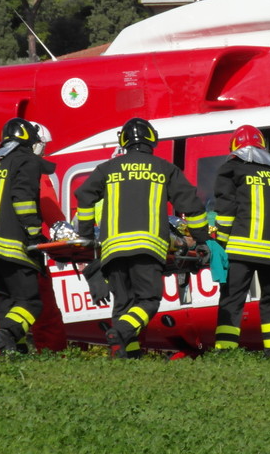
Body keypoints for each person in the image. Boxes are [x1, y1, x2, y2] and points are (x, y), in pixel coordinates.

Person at [74, 117, 210, 358]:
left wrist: (85, 237)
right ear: (152, 140)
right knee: (148, 301)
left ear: (124, 141)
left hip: (113, 250)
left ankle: (127, 356)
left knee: (124, 305)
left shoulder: (107, 169)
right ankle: (120, 333)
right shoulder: (164, 168)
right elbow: (192, 206)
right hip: (147, 249)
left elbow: (84, 196)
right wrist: (201, 240)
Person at [0, 122, 67, 363]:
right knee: (33, 304)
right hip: (17, 247)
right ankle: (47, 354)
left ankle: (0, 356)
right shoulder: (27, 165)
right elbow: (33, 203)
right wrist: (38, 235)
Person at [213, 125, 270, 359]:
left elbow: (226, 211)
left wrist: (220, 244)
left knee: (232, 301)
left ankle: (226, 354)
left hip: (241, 248)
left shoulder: (231, 169)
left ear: (234, 147)